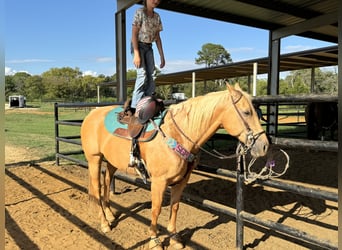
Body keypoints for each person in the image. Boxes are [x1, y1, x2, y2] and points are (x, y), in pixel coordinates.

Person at [129, 0, 165, 115]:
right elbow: (134, 34)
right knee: (142, 74)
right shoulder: (139, 12)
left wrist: (162, 56)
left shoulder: (157, 17)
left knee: (152, 75)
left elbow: (158, 38)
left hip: (149, 47)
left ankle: (147, 103)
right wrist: (136, 54)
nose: (156, 1)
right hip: (138, 45)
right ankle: (134, 107)